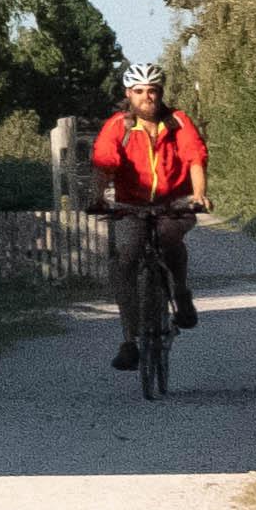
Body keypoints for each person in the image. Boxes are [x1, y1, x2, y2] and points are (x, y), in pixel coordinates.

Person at [88, 62, 210, 368]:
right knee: (126, 259)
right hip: (132, 205)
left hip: (174, 202)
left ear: (161, 93)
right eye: (140, 91)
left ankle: (181, 293)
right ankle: (129, 340)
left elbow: (195, 156)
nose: (147, 97)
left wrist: (198, 194)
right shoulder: (119, 126)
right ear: (129, 94)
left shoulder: (178, 122)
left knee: (170, 238)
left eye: (153, 91)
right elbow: (105, 162)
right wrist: (98, 196)